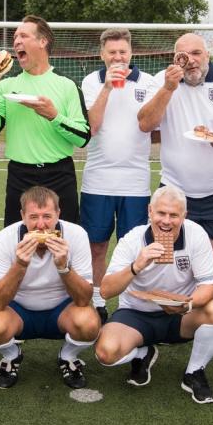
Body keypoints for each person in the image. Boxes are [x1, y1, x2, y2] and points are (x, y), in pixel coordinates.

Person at [136, 33, 213, 346]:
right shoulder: (163, 80)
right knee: (165, 252)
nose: (190, 60)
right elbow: (146, 124)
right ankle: (161, 313)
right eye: (183, 55)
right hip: (174, 189)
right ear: (175, 58)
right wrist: (168, 88)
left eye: (197, 53)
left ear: (208, 54)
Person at [95, 186, 213, 404]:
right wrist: (136, 266)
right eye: (161, 213)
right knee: (106, 353)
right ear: (150, 211)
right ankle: (142, 354)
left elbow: (208, 285)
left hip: (180, 316)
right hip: (136, 315)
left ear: (184, 215)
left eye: (174, 215)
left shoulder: (196, 234)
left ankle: (194, 371)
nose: (166, 221)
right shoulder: (133, 239)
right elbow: (106, 290)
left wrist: (188, 305)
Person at [0, 186, 99, 389]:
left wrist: (64, 267)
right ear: (23, 216)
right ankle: (11, 356)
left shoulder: (76, 234)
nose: (41, 225)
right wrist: (20, 265)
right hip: (18, 311)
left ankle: (68, 356)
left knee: (89, 323)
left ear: (58, 214)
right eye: (33, 217)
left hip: (62, 309)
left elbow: (84, 299)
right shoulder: (5, 237)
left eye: (47, 216)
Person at [79, 28, 160, 324]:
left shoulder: (148, 82)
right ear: (102, 54)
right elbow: (92, 126)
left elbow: (148, 125)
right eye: (112, 53)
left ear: (131, 53)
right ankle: (99, 300)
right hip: (98, 180)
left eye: (122, 52)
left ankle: (130, 304)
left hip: (136, 183)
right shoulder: (91, 81)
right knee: (96, 245)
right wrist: (108, 88)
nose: (118, 58)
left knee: (135, 247)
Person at [0, 15, 90, 226]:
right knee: (18, 244)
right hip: (19, 176)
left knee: (63, 244)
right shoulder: (5, 85)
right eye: (15, 37)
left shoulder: (67, 85)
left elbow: (83, 137)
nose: (16, 41)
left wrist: (54, 116)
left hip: (60, 175)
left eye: (23, 35)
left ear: (42, 41)